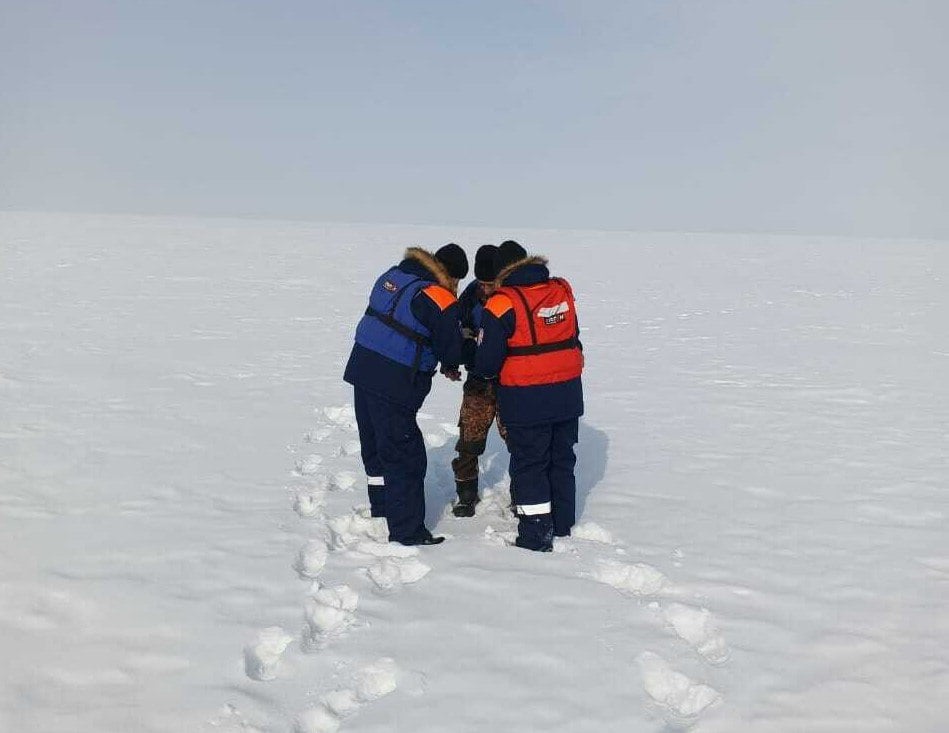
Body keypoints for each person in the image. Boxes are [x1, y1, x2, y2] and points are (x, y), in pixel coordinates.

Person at [343, 244, 468, 546]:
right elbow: (451, 346)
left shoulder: (395, 275)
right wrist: (457, 358)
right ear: (452, 276)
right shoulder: (438, 297)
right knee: (404, 455)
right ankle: (407, 532)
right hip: (395, 381)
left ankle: (382, 507)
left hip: (362, 368)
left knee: (374, 445)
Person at [474, 241, 584, 551]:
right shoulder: (561, 291)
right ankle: (562, 524)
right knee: (562, 459)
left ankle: (535, 535)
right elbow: (574, 335)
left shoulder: (501, 302)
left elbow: (486, 362)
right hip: (567, 393)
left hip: (526, 397)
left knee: (531, 463)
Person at [450, 244, 509, 517]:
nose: (486, 289)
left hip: (510, 380)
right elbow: (454, 328)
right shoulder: (470, 296)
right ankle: (466, 494)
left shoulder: (511, 296)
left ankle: (522, 494)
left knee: (518, 440)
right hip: (478, 378)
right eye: (482, 283)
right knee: (469, 439)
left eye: (491, 284)